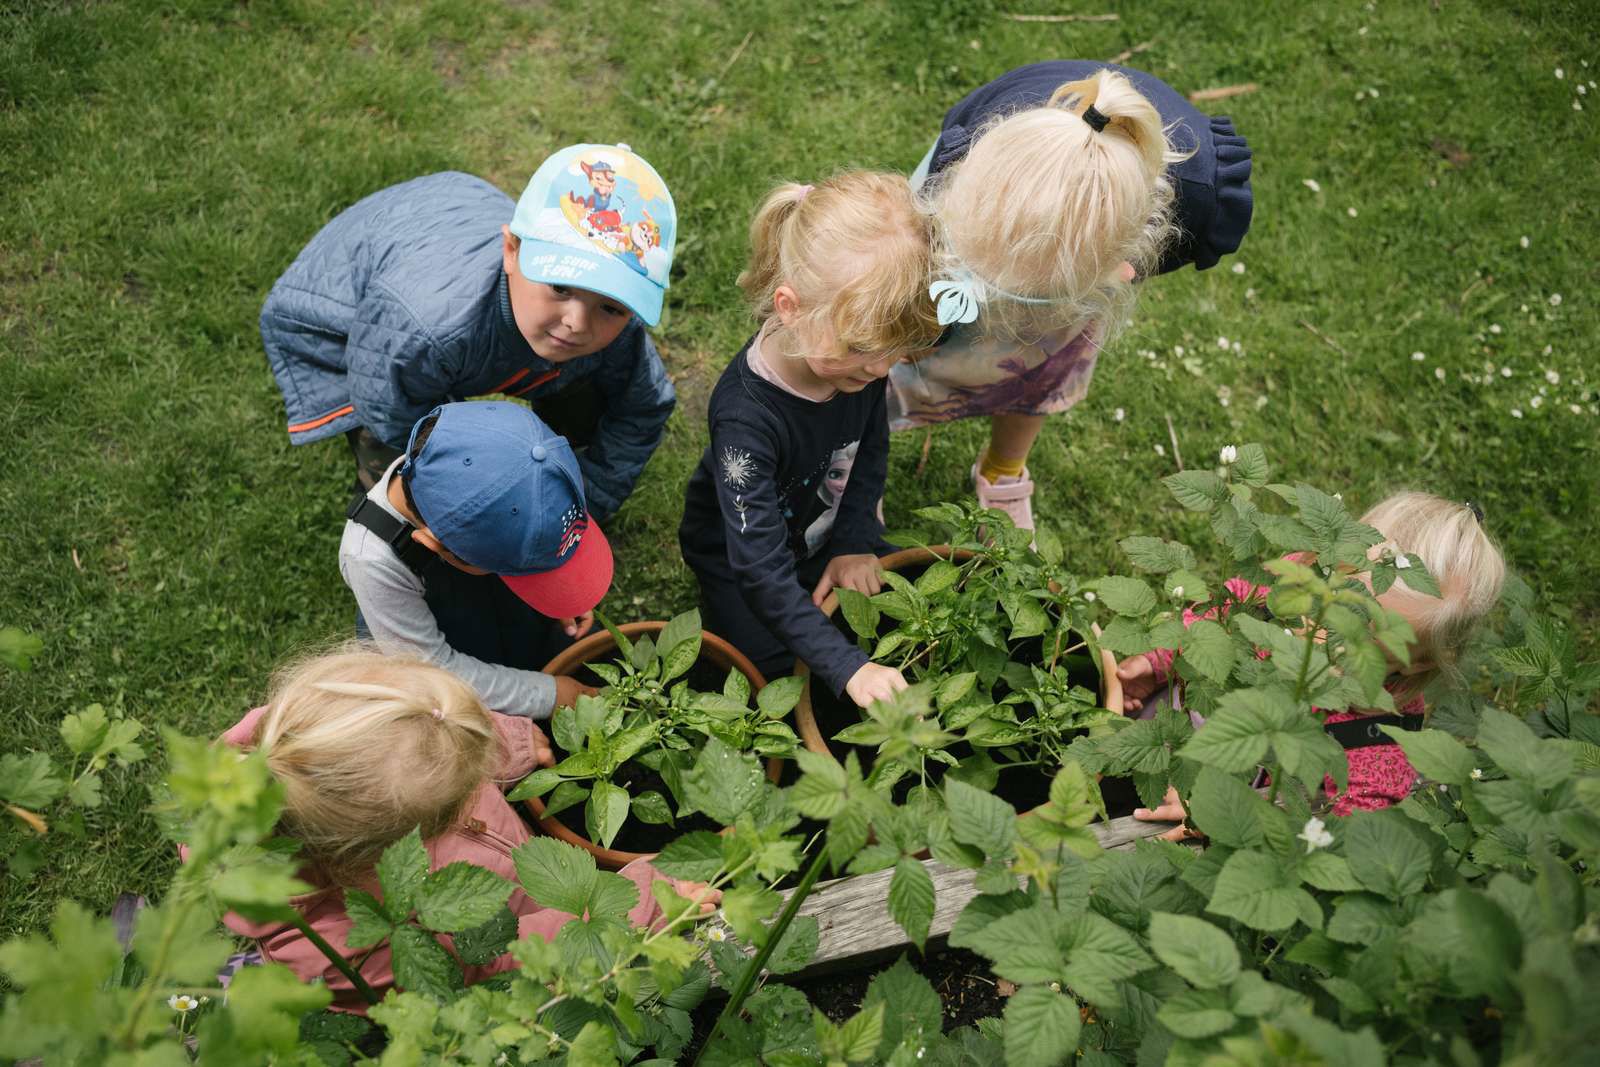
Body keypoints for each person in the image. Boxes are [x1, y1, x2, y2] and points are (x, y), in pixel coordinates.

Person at [200, 648, 715, 1011]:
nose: (474, 783)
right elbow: (502, 960)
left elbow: (427, 720)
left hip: (504, 861)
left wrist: (505, 741)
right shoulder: (349, 942)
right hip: (505, 926)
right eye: (457, 794)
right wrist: (645, 899)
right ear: (374, 853)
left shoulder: (308, 733)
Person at [897, 61, 1254, 530]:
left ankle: (1003, 468)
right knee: (904, 325)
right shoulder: (965, 162)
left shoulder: (1201, 199)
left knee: (1042, 361)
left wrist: (1103, 277)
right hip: (991, 195)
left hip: (1096, 249)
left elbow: (1154, 254)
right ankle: (853, 451)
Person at [260, 143, 678, 522]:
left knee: (591, 388)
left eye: (610, 307)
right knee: (405, 456)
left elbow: (641, 408)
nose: (577, 322)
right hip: (345, 321)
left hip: (446, 225)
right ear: (512, 251)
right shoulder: (422, 327)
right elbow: (388, 406)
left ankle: (558, 479)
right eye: (560, 286)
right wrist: (455, 496)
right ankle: (395, 528)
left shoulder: (613, 328)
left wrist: (583, 505)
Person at [679, 173, 942, 709]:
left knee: (921, 604)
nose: (879, 368)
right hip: (741, 562)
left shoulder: (858, 363)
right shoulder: (745, 419)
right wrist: (848, 667)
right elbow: (758, 570)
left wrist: (854, 540)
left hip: (818, 532)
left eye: (893, 350)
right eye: (865, 348)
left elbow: (870, 447)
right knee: (779, 677)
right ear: (790, 307)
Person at [1117, 493, 1505, 827]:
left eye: (1361, 637)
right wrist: (1159, 662)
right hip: (1167, 716)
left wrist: (1218, 818)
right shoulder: (1294, 578)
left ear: (1416, 662)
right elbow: (1222, 616)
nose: (1319, 633)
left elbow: (1354, 828)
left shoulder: (1379, 736)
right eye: (1325, 599)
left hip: (1211, 797)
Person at [342, 400, 612, 720]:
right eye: (530, 570)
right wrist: (548, 694)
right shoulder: (372, 562)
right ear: (436, 546)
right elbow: (434, 670)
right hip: (437, 643)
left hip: (496, 601)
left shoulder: (503, 467)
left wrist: (562, 587)